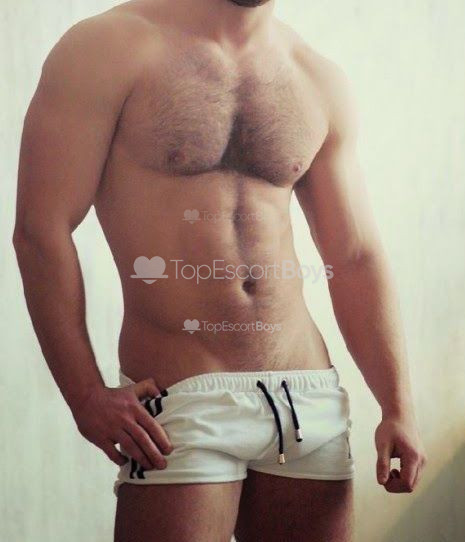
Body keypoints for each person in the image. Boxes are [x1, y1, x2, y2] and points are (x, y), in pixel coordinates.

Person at [13, 0, 427, 540]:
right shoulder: (106, 48)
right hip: (182, 396)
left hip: (308, 396)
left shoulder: (315, 76)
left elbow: (353, 255)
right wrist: (84, 393)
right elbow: (40, 229)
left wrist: (397, 406)